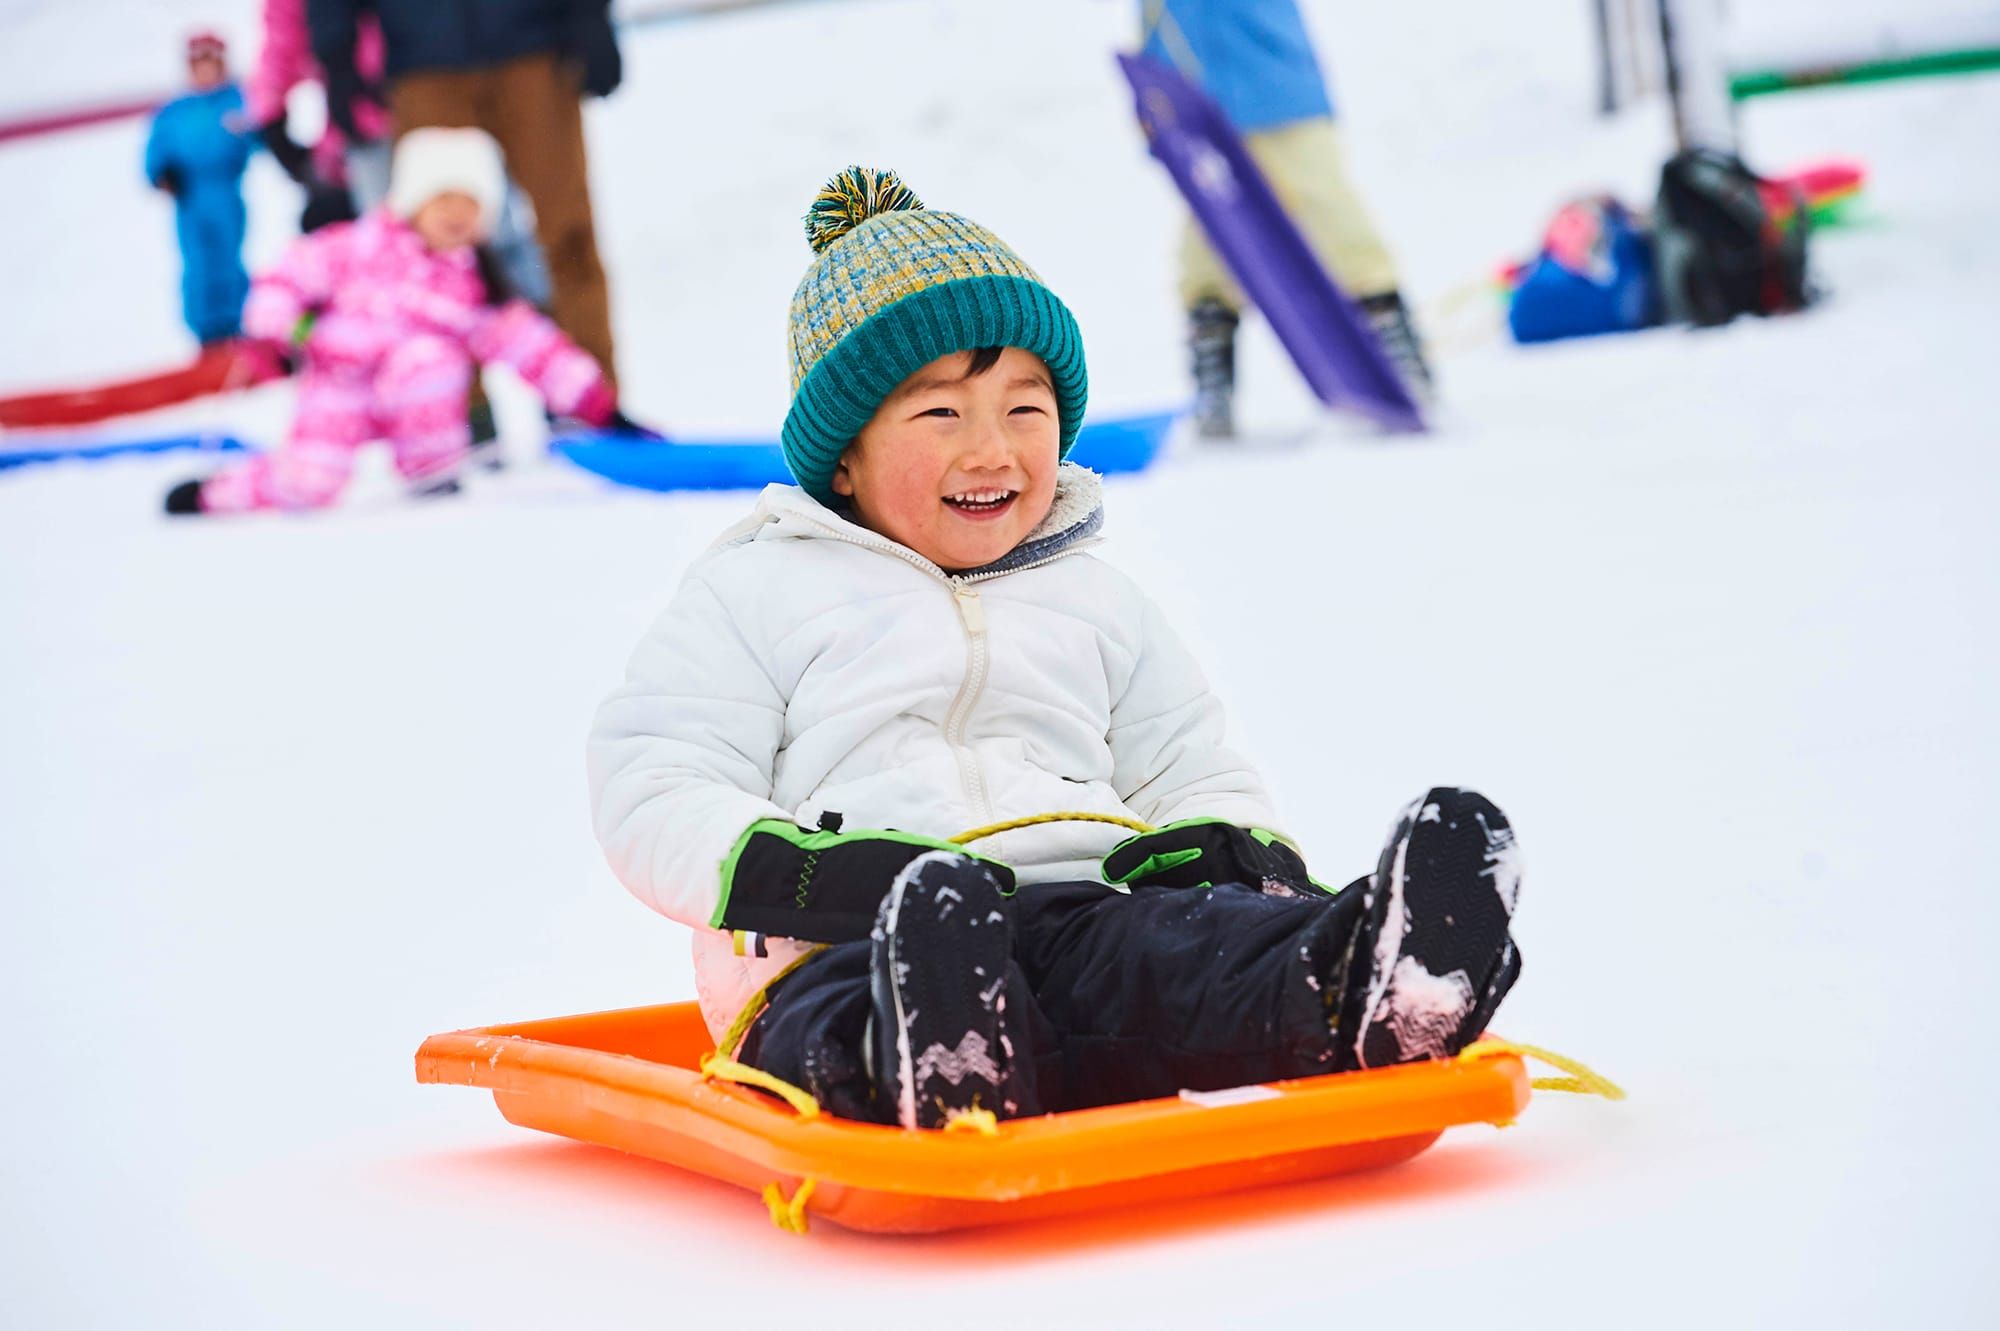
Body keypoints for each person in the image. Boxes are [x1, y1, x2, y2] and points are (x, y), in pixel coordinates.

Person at [587, 168, 1521, 1129]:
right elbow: (657, 777)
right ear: (843, 458)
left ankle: (1354, 981)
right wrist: (802, 876)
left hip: (1086, 915)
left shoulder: (1096, 600)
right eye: (941, 412)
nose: (992, 449)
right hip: (847, 940)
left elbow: (1186, 761)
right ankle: (929, 1050)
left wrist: (1235, 859)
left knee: (1189, 954)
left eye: (1024, 410)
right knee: (842, 1006)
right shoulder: (756, 590)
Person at [163, 128, 627, 517]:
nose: (456, 214)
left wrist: (598, 405)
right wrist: (277, 334)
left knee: (430, 359)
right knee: (309, 485)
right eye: (443, 198)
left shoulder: (474, 286)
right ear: (411, 199)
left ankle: (432, 471)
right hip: (339, 385)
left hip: (417, 403)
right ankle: (216, 493)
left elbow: (533, 346)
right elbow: (286, 278)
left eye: (471, 202)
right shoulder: (356, 246)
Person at [1139, 0, 1433, 436]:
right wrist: (1151, 88)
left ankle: (1389, 336)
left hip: (1277, 83)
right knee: (1207, 238)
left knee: (1329, 212)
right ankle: (1212, 367)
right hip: (1192, 90)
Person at [307, 0, 622, 387]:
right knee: (436, 252)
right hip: (423, 61)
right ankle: (457, 412)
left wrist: (590, 15)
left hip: (536, 50)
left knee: (568, 231)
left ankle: (591, 397)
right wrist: (337, 57)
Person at [145, 31, 257, 347]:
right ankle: (206, 332)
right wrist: (161, 173)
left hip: (226, 192)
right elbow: (157, 149)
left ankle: (236, 325)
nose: (205, 72)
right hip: (190, 197)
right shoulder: (175, 111)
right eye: (198, 65)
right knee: (198, 261)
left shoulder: (236, 100)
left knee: (229, 257)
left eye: (211, 64)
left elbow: (258, 133)